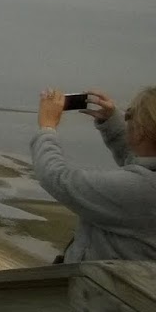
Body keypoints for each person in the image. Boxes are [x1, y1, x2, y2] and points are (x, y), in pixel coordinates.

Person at [33, 87, 156, 262]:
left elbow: (57, 178)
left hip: (99, 286)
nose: (126, 119)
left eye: (130, 115)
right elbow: (140, 161)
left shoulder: (142, 190)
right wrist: (112, 122)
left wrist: (47, 127)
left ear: (143, 130)